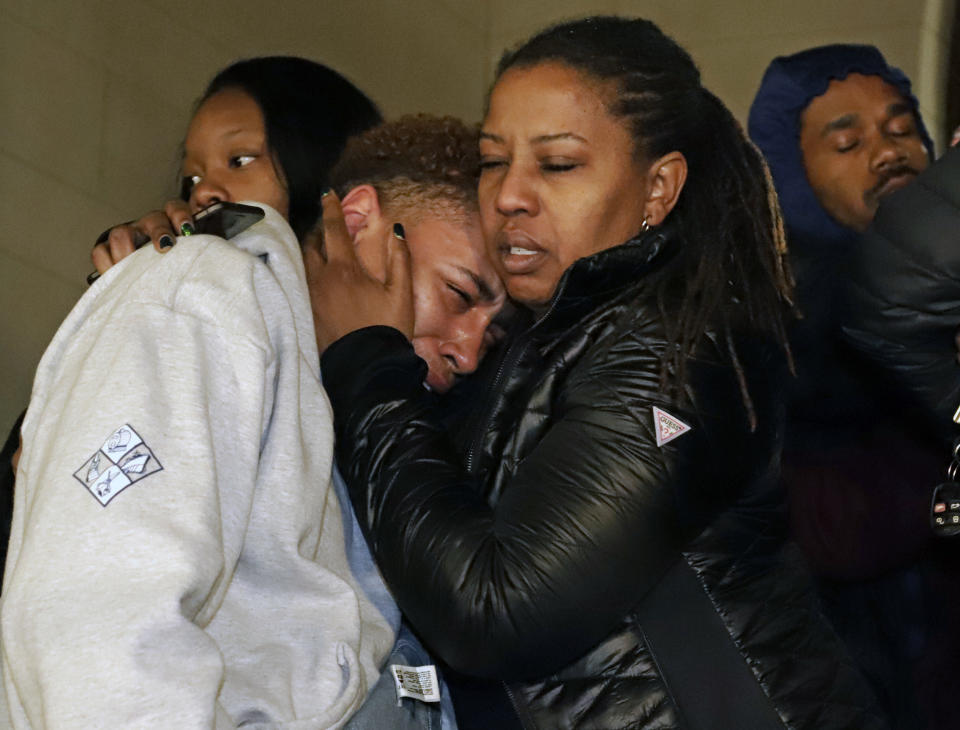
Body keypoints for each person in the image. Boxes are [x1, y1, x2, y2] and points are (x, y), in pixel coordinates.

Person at [305, 16, 886, 730]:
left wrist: (368, 358)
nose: (510, 195)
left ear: (658, 189)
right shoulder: (536, 341)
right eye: (493, 161)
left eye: (557, 165)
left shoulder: (677, 350)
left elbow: (496, 610)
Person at [0, 56, 399, 729]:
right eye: (192, 173)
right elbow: (97, 603)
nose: (207, 188)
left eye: (240, 160)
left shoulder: (360, 373)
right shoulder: (194, 288)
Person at [748, 44, 943, 727]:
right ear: (792, 173)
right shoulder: (787, 316)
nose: (887, 152)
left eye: (899, 128)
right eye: (847, 141)